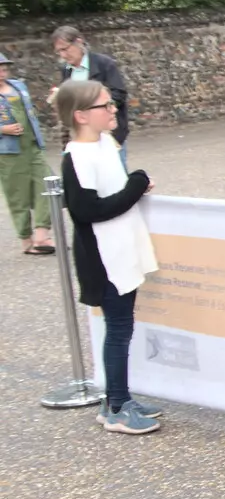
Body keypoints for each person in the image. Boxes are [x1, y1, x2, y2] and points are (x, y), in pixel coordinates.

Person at [56, 80, 163, 435]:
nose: (113, 109)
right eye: (105, 106)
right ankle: (117, 406)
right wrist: (137, 183)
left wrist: (133, 183)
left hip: (121, 250)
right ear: (82, 115)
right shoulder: (76, 157)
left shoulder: (104, 143)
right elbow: (88, 210)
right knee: (118, 330)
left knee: (122, 327)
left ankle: (116, 397)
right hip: (104, 260)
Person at [0, 53, 55, 255]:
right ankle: (26, 239)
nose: (2, 72)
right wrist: (3, 130)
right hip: (8, 153)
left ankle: (42, 235)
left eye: (4, 68)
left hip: (32, 146)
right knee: (18, 196)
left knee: (48, 185)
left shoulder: (18, 86)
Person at [52, 26, 132, 160]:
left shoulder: (104, 63)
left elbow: (119, 94)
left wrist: (93, 107)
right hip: (82, 136)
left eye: (65, 49)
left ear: (79, 42)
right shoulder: (66, 70)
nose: (63, 55)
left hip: (108, 133)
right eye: (59, 51)